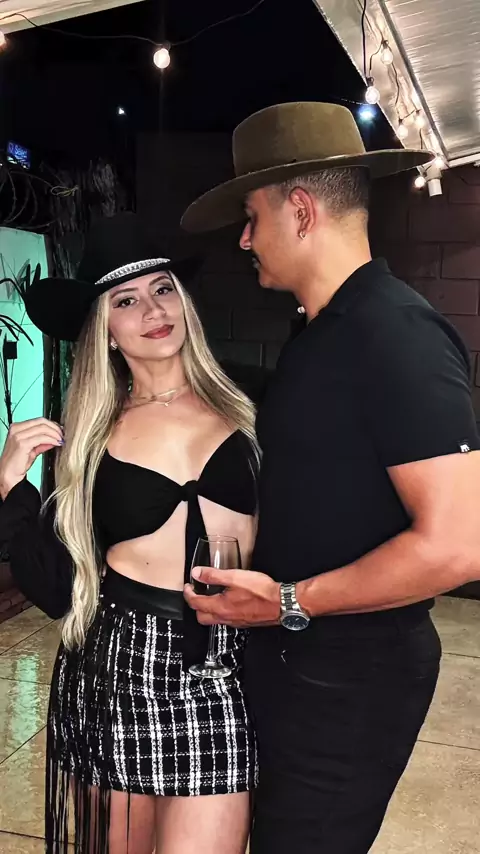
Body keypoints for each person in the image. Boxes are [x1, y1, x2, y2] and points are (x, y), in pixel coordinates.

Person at [181, 102, 480, 853]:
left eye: (251, 218)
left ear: (301, 210)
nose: (245, 239)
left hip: (353, 681)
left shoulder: (394, 332)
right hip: (303, 665)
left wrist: (288, 601)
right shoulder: (323, 332)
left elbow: (460, 545)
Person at [0, 212, 259, 854]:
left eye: (163, 289)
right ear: (106, 331)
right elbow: (57, 589)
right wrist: (10, 488)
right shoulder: (93, 438)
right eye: (126, 300)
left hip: (224, 666)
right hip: (120, 667)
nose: (152, 309)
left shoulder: (251, 407)